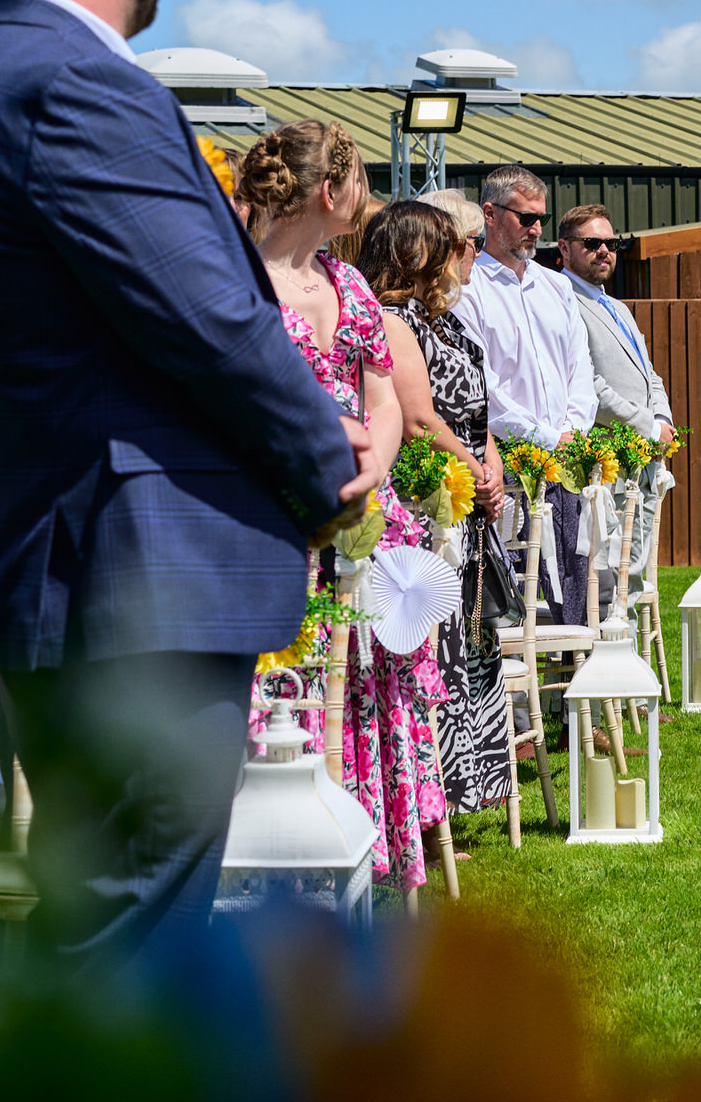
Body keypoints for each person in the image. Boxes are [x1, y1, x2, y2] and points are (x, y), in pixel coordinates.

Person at [0, 0, 369, 970]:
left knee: (105, 942)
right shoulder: (74, 83)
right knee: (134, 956)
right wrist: (331, 468)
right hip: (135, 586)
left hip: (81, 574)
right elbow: (213, 321)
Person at [244, 122, 450, 895]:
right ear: (332, 192)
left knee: (363, 688)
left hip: (368, 516)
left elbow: (385, 399)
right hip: (280, 513)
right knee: (291, 679)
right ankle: (278, 874)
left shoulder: (351, 284)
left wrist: (372, 476)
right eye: (359, 181)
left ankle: (364, 864)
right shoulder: (244, 283)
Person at [357, 200, 517, 815]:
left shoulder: (444, 320)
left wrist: (492, 462)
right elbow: (421, 419)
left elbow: (476, 410)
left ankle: (472, 788)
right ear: (418, 252)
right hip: (431, 502)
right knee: (440, 649)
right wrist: (473, 470)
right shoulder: (394, 322)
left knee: (473, 642)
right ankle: (434, 804)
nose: (463, 255)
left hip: (469, 496)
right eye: (452, 245)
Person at [453, 165, 597, 626]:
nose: (537, 229)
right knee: (512, 593)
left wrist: (573, 431)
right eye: (525, 217)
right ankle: (518, 691)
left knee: (579, 583)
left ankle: (572, 687)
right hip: (509, 466)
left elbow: (581, 368)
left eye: (541, 218)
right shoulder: (468, 289)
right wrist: (545, 439)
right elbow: (480, 387)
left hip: (568, 459)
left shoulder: (556, 285)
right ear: (489, 214)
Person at [559, 203, 675, 598]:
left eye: (611, 243)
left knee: (637, 579)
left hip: (641, 461)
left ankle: (635, 659)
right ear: (564, 248)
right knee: (607, 580)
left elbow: (649, 374)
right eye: (592, 243)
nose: (604, 251)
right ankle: (606, 658)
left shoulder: (620, 308)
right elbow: (588, 386)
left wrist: (662, 419)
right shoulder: (565, 302)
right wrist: (647, 426)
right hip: (603, 466)